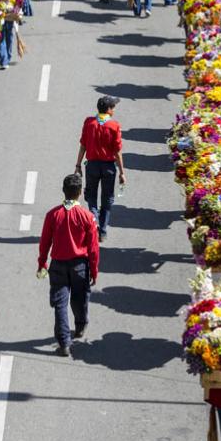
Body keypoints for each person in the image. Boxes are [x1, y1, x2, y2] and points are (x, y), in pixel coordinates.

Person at [38, 174, 100, 356]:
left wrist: (42, 262)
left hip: (58, 265)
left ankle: (64, 342)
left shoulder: (53, 215)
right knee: (80, 299)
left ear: (63, 191)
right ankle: (80, 326)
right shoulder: (87, 216)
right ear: (80, 193)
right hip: (80, 265)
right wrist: (94, 271)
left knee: (60, 304)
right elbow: (93, 248)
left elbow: (45, 242)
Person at [75, 96, 127, 240]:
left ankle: (94, 219)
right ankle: (102, 230)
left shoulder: (88, 122)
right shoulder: (114, 126)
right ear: (109, 110)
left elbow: (83, 146)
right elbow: (117, 152)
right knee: (107, 199)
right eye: (113, 107)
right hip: (108, 168)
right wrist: (122, 172)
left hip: (91, 166)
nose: (114, 110)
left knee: (91, 196)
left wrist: (78, 165)